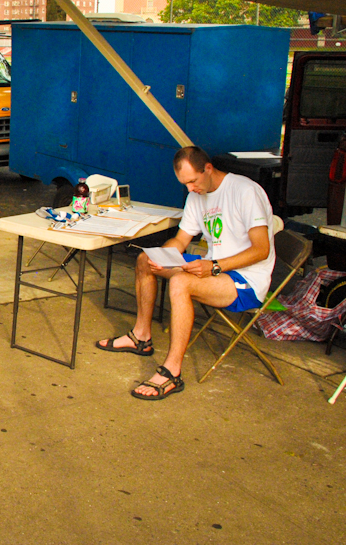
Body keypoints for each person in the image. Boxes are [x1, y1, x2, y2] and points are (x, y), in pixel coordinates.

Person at [95, 146, 275, 401]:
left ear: (208, 169)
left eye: (193, 181)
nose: (190, 189)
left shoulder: (245, 191)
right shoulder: (196, 196)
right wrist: (162, 257)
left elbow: (261, 250)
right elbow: (180, 241)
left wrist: (214, 266)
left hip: (246, 279)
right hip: (214, 267)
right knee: (145, 260)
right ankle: (141, 337)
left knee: (181, 282)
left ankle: (172, 372)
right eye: (185, 184)